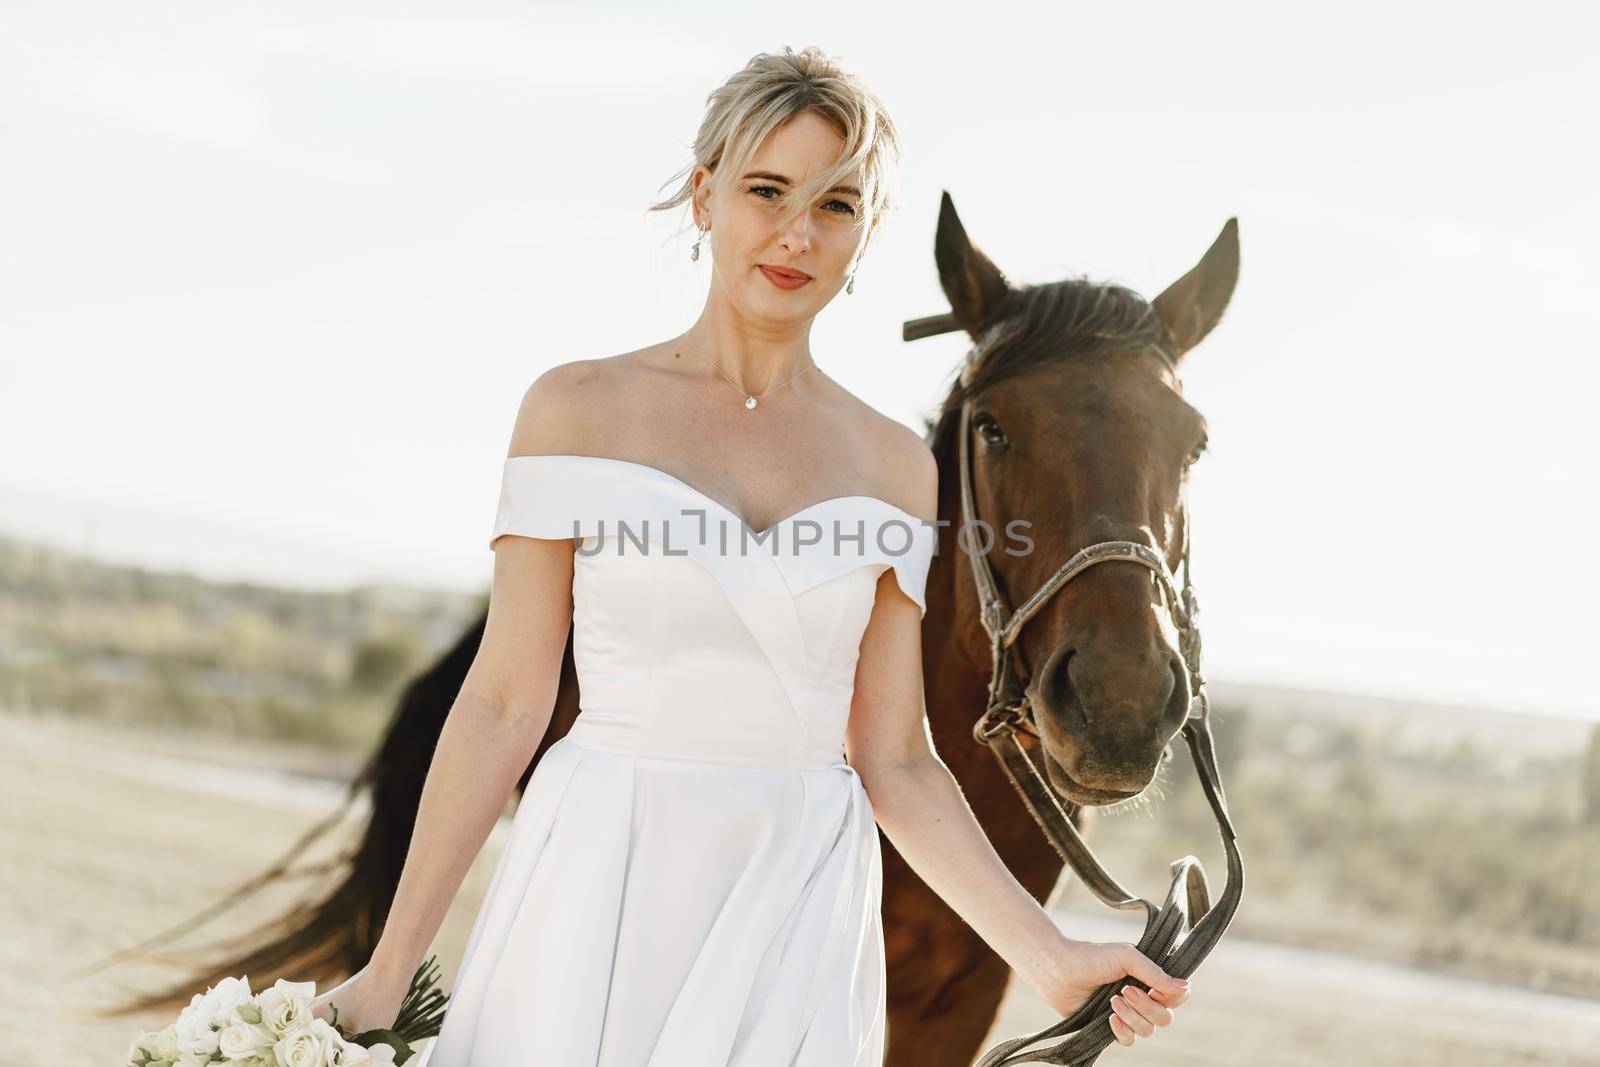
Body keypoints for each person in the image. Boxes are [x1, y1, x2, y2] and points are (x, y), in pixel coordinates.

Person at [310, 45, 1190, 1063]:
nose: (794, 234)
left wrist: (1047, 953)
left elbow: (897, 756)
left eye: (834, 206)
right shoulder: (576, 409)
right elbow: (504, 703)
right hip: (596, 883)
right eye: (766, 191)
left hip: (800, 911)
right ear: (703, 198)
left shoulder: (897, 466)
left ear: (863, 236)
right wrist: (390, 968)